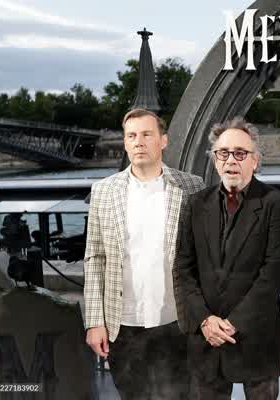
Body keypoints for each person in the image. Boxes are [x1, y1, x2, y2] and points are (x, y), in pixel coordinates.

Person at [83, 108, 205, 399]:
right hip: (122, 323)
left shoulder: (191, 186)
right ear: (125, 143)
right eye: (132, 136)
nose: (138, 142)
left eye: (147, 134)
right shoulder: (103, 191)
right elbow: (95, 258)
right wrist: (95, 321)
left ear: (163, 140)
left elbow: (203, 255)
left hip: (177, 321)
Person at [173, 116, 280, 400]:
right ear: (215, 160)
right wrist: (205, 321)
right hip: (207, 340)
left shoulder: (275, 203)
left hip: (257, 338)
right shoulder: (195, 204)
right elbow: (183, 268)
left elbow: (273, 273)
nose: (230, 160)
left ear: (255, 160)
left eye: (240, 153)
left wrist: (232, 323)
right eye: (223, 153)